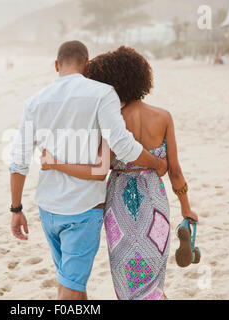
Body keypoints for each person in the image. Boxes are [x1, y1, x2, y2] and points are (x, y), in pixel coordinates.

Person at [9, 41, 168, 300]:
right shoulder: (103, 94)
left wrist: (16, 209)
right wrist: (157, 163)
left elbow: (18, 160)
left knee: (71, 282)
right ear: (86, 63)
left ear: (57, 65)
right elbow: (122, 144)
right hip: (82, 210)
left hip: (48, 209)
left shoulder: (35, 102)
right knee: (70, 288)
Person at [41, 46, 199, 300]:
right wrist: (186, 208)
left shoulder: (111, 121)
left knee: (129, 281)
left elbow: (99, 169)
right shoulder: (163, 117)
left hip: (119, 207)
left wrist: (55, 163)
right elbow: (176, 171)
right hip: (154, 203)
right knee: (152, 282)